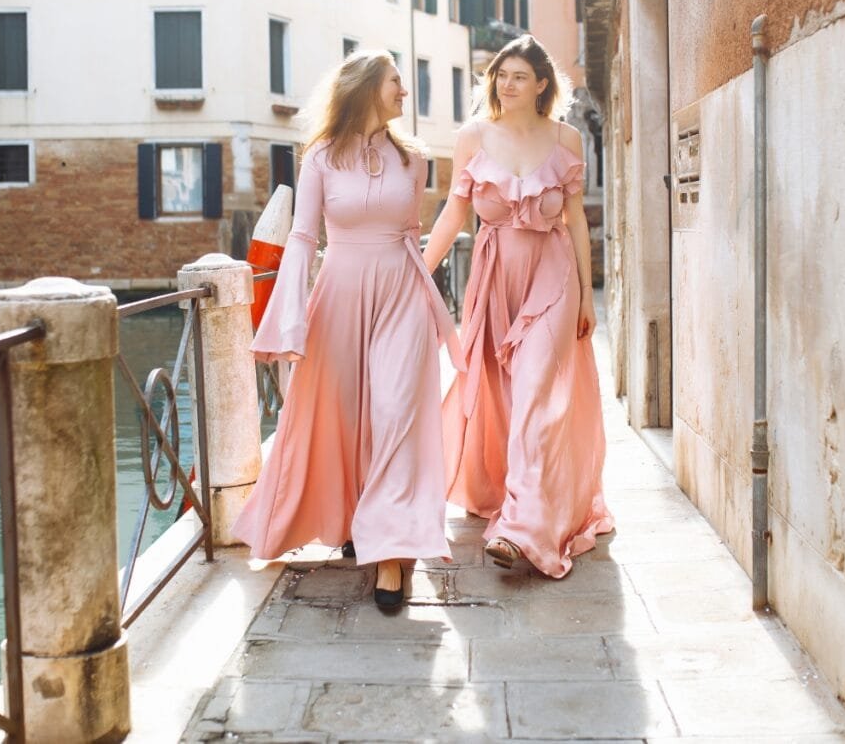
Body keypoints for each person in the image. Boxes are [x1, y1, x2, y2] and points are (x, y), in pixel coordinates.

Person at [233, 50, 466, 607]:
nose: (404, 94)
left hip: (401, 292)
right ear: (366, 89)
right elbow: (303, 237)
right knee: (342, 413)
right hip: (338, 292)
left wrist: (424, 297)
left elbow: (413, 232)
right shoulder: (319, 158)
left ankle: (390, 555)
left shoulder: (414, 158)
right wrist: (285, 321)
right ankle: (356, 520)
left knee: (395, 413)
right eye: (395, 84)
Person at [422, 34, 614, 579]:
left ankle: (521, 528)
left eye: (519, 77)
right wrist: (418, 269)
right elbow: (453, 216)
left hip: (553, 279)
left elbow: (575, 220)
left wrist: (587, 292)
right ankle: (520, 500)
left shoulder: (567, 139)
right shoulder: (473, 137)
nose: (507, 84)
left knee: (534, 393)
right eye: (501, 76)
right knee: (503, 398)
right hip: (495, 277)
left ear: (542, 85)